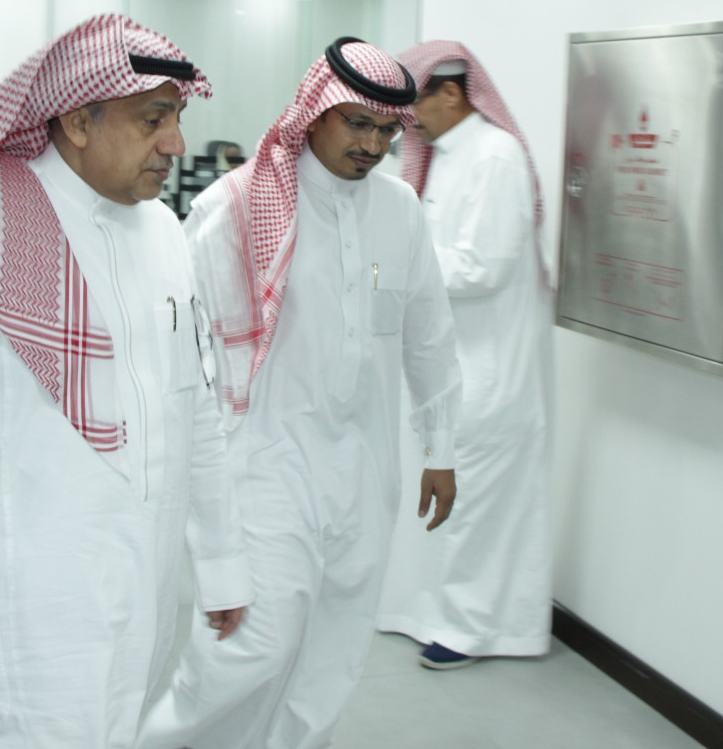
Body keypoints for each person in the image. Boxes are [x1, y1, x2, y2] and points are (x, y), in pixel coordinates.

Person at [0, 15, 252, 749]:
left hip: (143, 596)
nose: (175, 144)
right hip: (21, 615)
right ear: (76, 121)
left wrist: (220, 563)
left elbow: (193, 409)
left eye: (178, 118)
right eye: (153, 119)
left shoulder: (164, 233)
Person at [139, 37, 464, 749]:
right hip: (263, 463)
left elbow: (429, 335)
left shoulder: (400, 209)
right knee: (251, 646)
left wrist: (440, 448)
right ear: (315, 113)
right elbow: (182, 356)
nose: (372, 145)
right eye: (357, 123)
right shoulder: (235, 206)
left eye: (387, 130)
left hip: (365, 468)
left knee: (333, 650)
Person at [376, 41, 554, 669]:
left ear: (450, 93)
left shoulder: (495, 157)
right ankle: (427, 612)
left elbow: (483, 267)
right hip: (451, 362)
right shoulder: (450, 155)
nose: (406, 125)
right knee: (442, 498)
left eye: (413, 106)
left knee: (479, 503)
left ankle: (475, 628)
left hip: (489, 368)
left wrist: (392, 264)